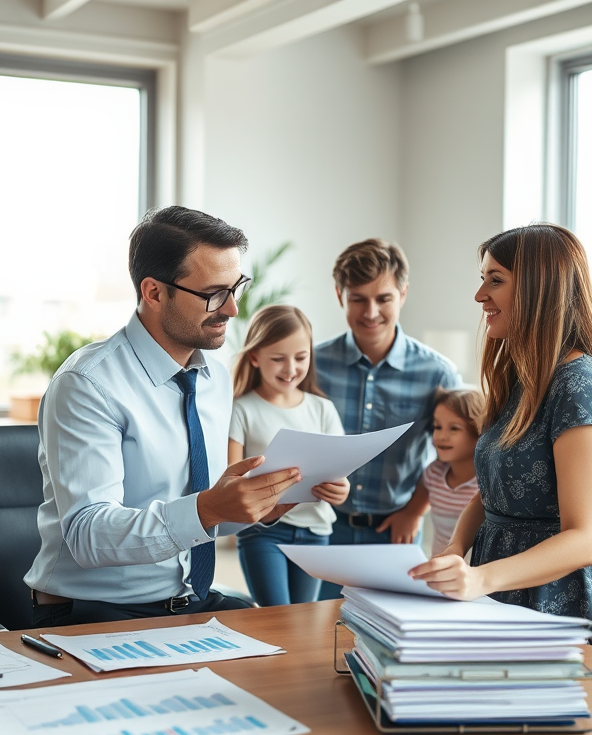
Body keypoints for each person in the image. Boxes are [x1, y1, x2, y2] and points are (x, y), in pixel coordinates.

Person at [24, 206, 302, 628]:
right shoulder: (87, 384)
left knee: (295, 660)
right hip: (93, 613)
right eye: (214, 294)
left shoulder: (215, 379)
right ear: (154, 293)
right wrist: (209, 508)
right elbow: (87, 536)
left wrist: (258, 508)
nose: (232, 311)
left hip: (188, 600)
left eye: (236, 288)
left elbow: (196, 519)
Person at [409, 223, 592, 657]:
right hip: (500, 593)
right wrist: (457, 551)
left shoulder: (580, 388)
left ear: (540, 290)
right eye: (483, 280)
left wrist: (480, 579)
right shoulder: (520, 380)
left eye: (495, 281)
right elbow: (492, 496)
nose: (480, 296)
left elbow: (584, 538)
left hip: (564, 605)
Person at [315, 238, 461, 601]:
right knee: (315, 630)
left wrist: (414, 511)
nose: (371, 312)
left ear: (403, 294)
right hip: (323, 524)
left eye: (383, 299)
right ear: (339, 296)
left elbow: (453, 458)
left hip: (394, 530)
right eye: (358, 299)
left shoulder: (437, 373)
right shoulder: (311, 366)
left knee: (387, 633)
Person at [229, 305, 350, 606]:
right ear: (254, 357)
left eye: (300, 357)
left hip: (315, 532)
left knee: (303, 621)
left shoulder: (322, 409)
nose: (291, 368)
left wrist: (341, 489)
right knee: (276, 616)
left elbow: (340, 473)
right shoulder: (241, 409)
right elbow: (231, 481)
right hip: (262, 533)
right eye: (278, 359)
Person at [421, 387, 483, 557]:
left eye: (454, 428)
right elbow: (417, 507)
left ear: (478, 431)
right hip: (437, 576)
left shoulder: (486, 482)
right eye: (437, 426)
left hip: (473, 577)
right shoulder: (433, 473)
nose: (441, 436)